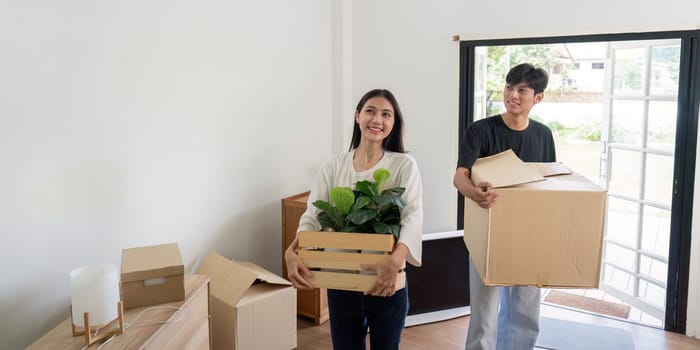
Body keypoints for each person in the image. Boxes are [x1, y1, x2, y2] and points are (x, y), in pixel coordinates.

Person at [285, 89, 424, 350]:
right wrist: (291, 251)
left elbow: (412, 217)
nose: (377, 120)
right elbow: (312, 217)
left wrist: (394, 262)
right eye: (370, 111)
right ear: (358, 116)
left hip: (385, 277)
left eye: (386, 114)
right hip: (341, 278)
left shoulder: (404, 165)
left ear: (394, 124)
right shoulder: (333, 166)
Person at [453, 63, 555, 350]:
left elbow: (547, 179)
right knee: (484, 315)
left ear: (538, 98)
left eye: (522, 89)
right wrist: (474, 193)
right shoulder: (480, 130)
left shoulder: (544, 135)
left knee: (525, 312)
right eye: (509, 87)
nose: (513, 94)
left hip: (529, 236)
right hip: (488, 234)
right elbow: (460, 175)